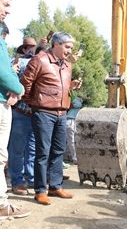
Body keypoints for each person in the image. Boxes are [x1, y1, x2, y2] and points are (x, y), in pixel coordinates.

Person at [0, 0, 31, 229]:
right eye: (5, 3)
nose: (9, 10)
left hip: (1, 101)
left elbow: (2, 66)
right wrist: (17, 86)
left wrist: (11, 89)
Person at [21, 32, 82, 206]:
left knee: (58, 151)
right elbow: (26, 84)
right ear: (56, 44)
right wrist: (34, 104)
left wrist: (71, 86)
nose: (70, 51)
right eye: (67, 47)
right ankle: (40, 190)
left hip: (62, 113)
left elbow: (58, 86)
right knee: (43, 152)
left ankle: (55, 186)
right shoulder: (39, 60)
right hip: (43, 113)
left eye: (71, 47)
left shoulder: (67, 66)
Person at [7, 37, 37, 195]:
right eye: (29, 47)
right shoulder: (17, 63)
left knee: (31, 148)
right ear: (24, 49)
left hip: (34, 113)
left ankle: (31, 177)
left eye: (34, 46)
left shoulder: (38, 62)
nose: (32, 49)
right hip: (20, 112)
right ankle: (17, 181)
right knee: (17, 149)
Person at [65, 96, 83, 165]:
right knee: (71, 141)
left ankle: (74, 157)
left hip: (74, 120)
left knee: (71, 141)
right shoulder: (72, 97)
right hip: (69, 120)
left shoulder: (75, 97)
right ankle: (74, 158)